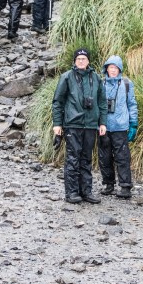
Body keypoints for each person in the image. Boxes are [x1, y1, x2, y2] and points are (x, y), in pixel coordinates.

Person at [51, 48, 107, 204]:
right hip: (72, 124)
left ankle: (86, 191)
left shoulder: (96, 78)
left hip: (90, 125)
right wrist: (57, 124)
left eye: (84, 58)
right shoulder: (67, 77)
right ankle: (72, 192)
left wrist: (102, 122)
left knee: (86, 159)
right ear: (75, 61)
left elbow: (102, 101)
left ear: (88, 61)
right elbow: (58, 101)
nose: (81, 61)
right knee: (73, 158)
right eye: (78, 59)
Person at [99, 56, 138, 199]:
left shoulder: (127, 83)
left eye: (115, 68)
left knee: (122, 157)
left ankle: (125, 186)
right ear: (106, 69)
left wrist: (133, 123)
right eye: (110, 68)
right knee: (105, 157)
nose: (113, 70)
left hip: (121, 126)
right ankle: (108, 184)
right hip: (104, 126)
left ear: (119, 69)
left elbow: (132, 104)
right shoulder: (100, 83)